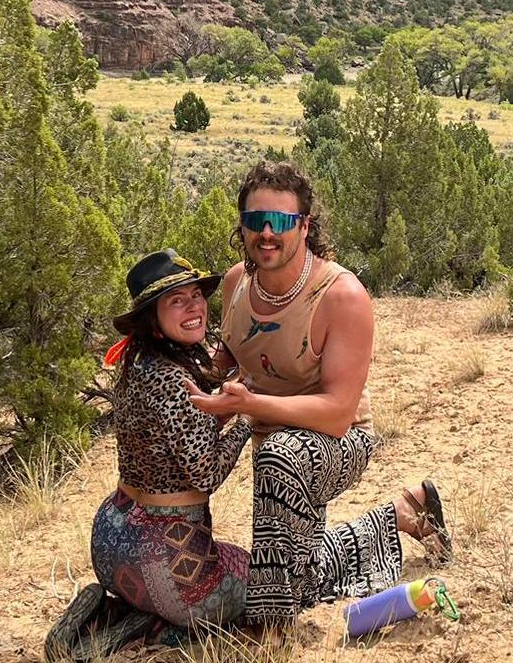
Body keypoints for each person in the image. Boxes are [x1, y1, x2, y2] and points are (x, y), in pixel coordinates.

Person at [188, 159, 452, 631]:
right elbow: (230, 350)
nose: (267, 233)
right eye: (255, 220)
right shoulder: (235, 284)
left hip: (337, 441)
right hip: (271, 436)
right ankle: (401, 513)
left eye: (280, 220)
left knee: (279, 457)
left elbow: (337, 413)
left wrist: (248, 407)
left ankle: (271, 628)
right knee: (300, 571)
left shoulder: (340, 296)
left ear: (304, 226)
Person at [73, 249, 254, 650]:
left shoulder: (139, 366)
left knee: (227, 566)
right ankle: (154, 631)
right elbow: (206, 474)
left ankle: (120, 613)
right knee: (263, 583)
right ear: (151, 318)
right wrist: (247, 419)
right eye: (176, 300)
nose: (194, 307)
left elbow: (178, 435)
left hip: (113, 540)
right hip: (167, 559)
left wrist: (222, 408)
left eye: (196, 295)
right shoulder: (174, 380)